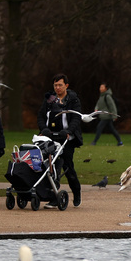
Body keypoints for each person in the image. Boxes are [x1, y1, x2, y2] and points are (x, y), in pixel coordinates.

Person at [37, 73, 83, 207]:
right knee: (51, 167)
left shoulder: (73, 100)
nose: (57, 88)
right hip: (50, 137)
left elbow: (76, 118)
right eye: (55, 85)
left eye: (60, 85)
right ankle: (53, 196)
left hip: (67, 138)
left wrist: (68, 131)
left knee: (67, 166)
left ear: (66, 86)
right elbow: (41, 116)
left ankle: (76, 191)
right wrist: (43, 129)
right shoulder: (49, 100)